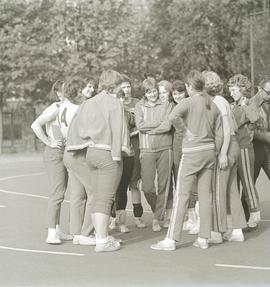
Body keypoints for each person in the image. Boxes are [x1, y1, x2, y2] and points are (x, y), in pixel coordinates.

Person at [151, 70, 223, 251]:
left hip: (192, 152)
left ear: (190, 87)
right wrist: (215, 151)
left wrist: (185, 131)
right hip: (209, 152)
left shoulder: (188, 102)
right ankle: (203, 238)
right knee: (205, 196)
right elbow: (220, 133)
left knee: (181, 195)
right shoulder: (212, 105)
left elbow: (172, 116)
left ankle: (171, 240)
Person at [66, 70, 130, 252]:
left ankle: (99, 235)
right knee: (105, 197)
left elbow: (76, 127)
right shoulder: (115, 103)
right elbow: (120, 129)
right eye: (120, 85)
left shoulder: (89, 102)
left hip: (91, 153)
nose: (121, 89)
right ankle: (102, 240)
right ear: (115, 85)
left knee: (96, 197)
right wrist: (122, 151)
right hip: (108, 153)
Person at [31, 80, 77, 244]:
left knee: (62, 192)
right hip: (54, 153)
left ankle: (56, 229)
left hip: (64, 151)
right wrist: (48, 141)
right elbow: (35, 125)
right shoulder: (54, 108)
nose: (66, 93)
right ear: (58, 93)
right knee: (57, 193)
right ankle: (51, 233)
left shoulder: (70, 108)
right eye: (63, 90)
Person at [203, 71, 247, 244]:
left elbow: (227, 129)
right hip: (232, 146)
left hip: (227, 147)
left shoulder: (218, 102)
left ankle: (217, 231)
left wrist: (222, 154)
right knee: (231, 190)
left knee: (218, 189)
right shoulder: (221, 101)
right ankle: (237, 230)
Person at [135, 77, 173, 232]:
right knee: (148, 187)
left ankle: (157, 218)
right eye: (148, 92)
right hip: (147, 150)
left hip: (165, 148)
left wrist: (150, 129)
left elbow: (167, 126)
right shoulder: (139, 106)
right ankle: (160, 211)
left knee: (165, 185)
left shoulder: (167, 105)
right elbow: (140, 126)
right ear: (144, 93)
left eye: (154, 91)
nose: (152, 94)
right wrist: (158, 125)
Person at [110, 77, 146, 232]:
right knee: (115, 186)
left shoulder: (136, 104)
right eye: (123, 87)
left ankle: (137, 217)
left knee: (132, 183)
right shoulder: (112, 107)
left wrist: (128, 134)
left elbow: (140, 124)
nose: (127, 89)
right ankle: (114, 219)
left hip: (132, 148)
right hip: (115, 151)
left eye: (128, 86)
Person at [63, 78, 96, 245]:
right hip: (78, 153)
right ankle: (86, 233)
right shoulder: (82, 107)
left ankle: (76, 232)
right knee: (95, 192)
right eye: (88, 86)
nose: (92, 88)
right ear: (78, 91)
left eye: (92, 86)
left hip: (69, 153)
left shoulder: (65, 106)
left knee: (77, 194)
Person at [228, 74, 260, 231]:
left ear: (242, 89)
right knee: (235, 185)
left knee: (247, 181)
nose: (230, 92)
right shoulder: (232, 105)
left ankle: (254, 213)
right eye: (229, 89)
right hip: (233, 149)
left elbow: (254, 117)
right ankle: (239, 217)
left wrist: (245, 104)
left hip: (245, 148)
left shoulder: (248, 103)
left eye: (233, 89)